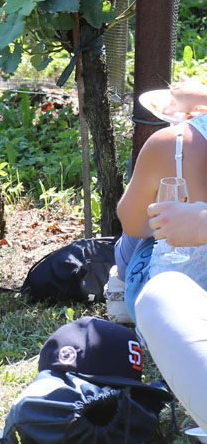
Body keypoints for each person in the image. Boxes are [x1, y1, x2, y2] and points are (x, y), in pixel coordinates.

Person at [117, 80, 207, 429]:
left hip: (174, 297)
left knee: (140, 243)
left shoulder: (173, 142)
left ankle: (118, 285)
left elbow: (132, 221)